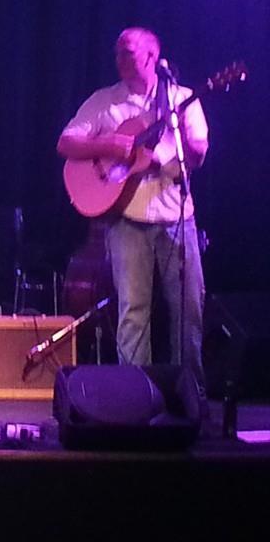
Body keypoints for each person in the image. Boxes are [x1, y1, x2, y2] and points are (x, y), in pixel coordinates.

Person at [57, 27, 208, 402]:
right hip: (126, 218)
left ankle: (191, 397)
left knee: (188, 311)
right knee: (132, 314)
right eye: (118, 53)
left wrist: (181, 149)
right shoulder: (105, 101)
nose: (120, 60)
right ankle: (137, 398)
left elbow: (199, 152)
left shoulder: (181, 99)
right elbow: (66, 142)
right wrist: (109, 143)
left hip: (176, 218)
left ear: (152, 57)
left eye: (127, 52)